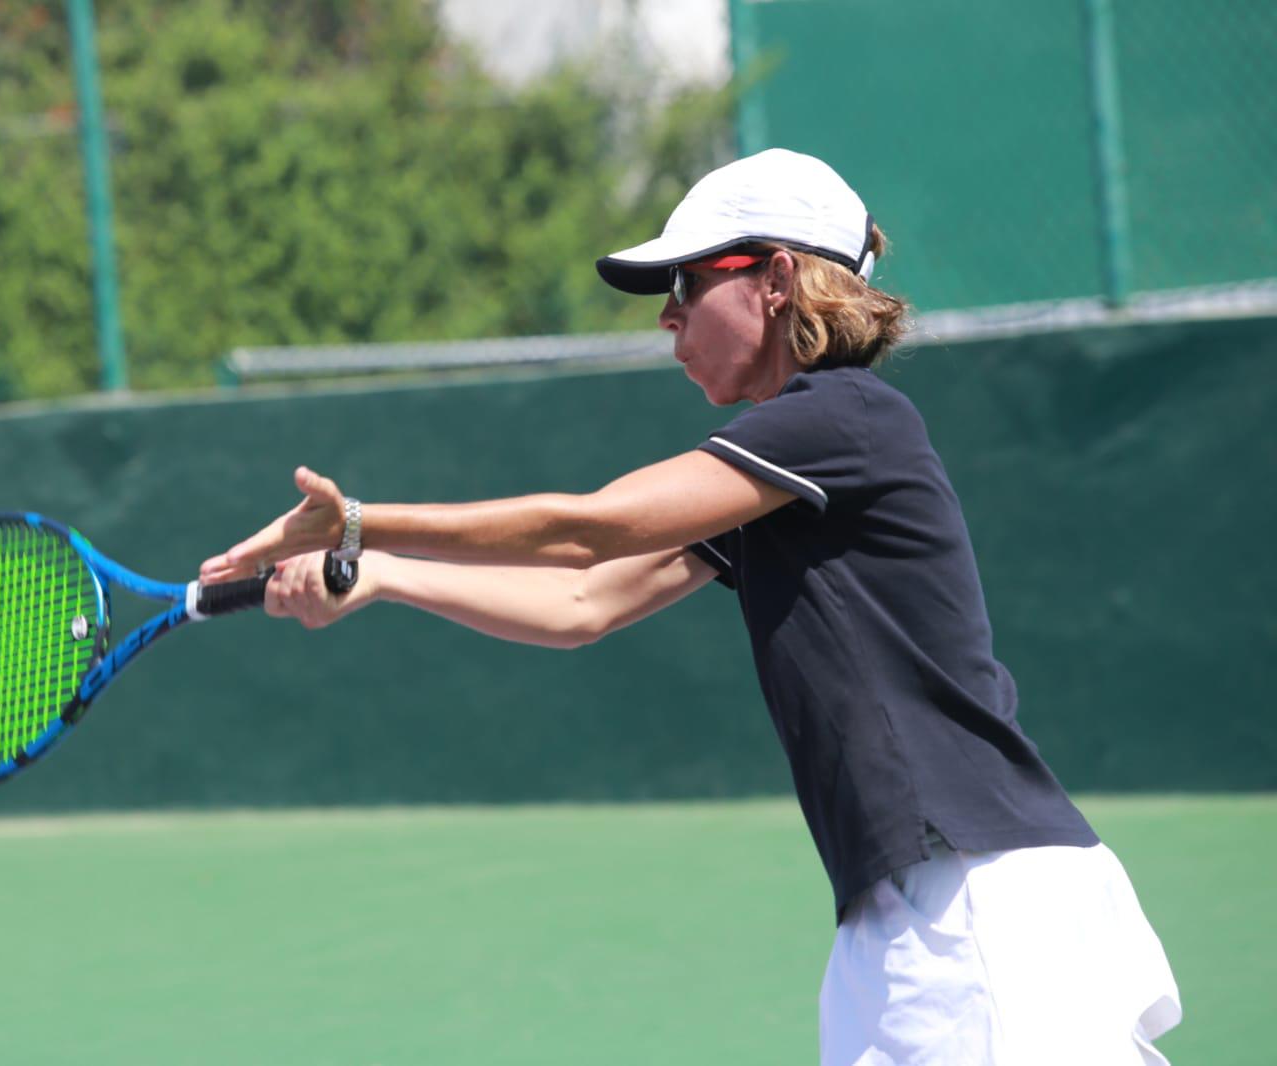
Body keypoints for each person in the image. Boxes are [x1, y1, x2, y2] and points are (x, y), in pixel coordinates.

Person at [199, 148, 1181, 1064]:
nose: (666, 316)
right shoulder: (786, 478)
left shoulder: (845, 417)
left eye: (686, 283)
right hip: (902, 913)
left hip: (976, 898)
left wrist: (361, 521)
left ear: (778, 278)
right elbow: (580, 603)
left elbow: (587, 530)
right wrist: (380, 575)